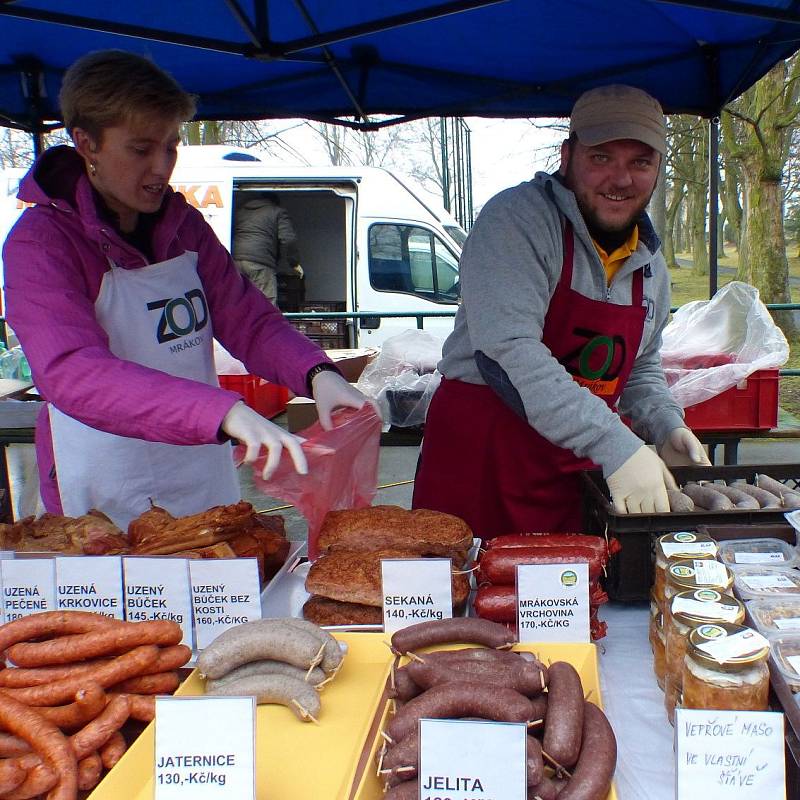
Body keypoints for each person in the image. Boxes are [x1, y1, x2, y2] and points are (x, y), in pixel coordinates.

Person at [2, 50, 371, 530]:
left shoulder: (182, 226)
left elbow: (246, 318)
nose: (161, 167)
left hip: (198, 470)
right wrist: (221, 412)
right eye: (140, 149)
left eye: (171, 146)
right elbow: (73, 371)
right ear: (86, 143)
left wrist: (317, 372)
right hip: (103, 489)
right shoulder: (42, 242)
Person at [413, 84, 710, 538]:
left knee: (571, 602)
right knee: (465, 602)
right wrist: (616, 444)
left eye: (640, 162)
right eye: (602, 157)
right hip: (483, 465)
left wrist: (666, 424)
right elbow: (508, 354)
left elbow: (640, 366)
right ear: (566, 156)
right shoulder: (517, 221)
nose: (621, 179)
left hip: (575, 475)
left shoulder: (652, 266)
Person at [232, 192, 304, 305]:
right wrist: (293, 262)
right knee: (267, 305)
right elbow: (288, 239)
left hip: (235, 261)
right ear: (274, 202)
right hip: (260, 263)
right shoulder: (277, 212)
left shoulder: (240, 211)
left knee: (240, 302)